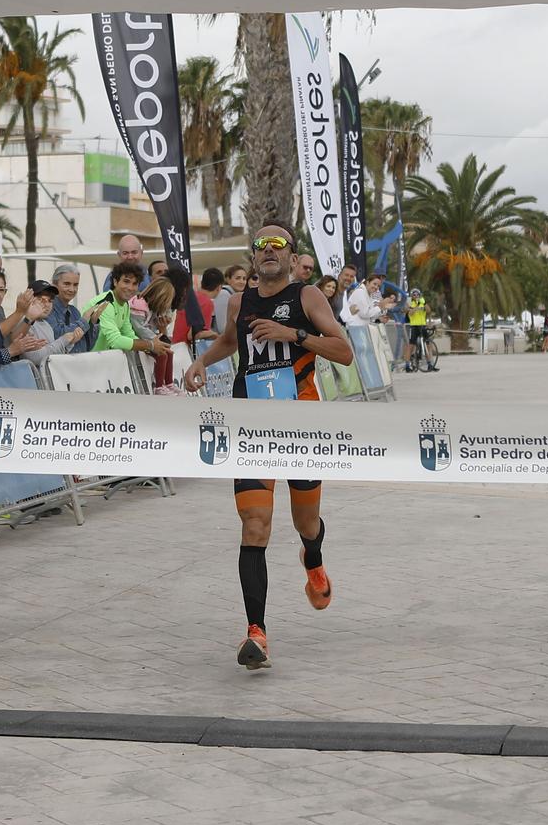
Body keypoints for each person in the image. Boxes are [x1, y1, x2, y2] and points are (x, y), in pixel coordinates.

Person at [182, 223, 354, 670]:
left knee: (306, 521)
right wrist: (201, 361)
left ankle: (313, 560)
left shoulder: (308, 297)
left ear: (294, 257)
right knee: (255, 524)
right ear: (253, 257)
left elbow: (343, 351)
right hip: (252, 427)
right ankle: (256, 633)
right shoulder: (239, 302)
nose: (270, 250)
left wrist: (291, 335)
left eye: (279, 244)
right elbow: (227, 341)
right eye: (262, 244)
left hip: (300, 428)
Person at [86, 261, 170, 357]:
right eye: (126, 281)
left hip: (100, 361)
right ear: (115, 282)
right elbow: (115, 341)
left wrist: (149, 348)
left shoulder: (125, 304)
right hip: (87, 362)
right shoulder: (105, 303)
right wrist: (150, 345)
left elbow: (129, 334)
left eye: (135, 284)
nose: (130, 288)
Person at [42, 265, 92, 353]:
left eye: (75, 285)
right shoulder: (47, 308)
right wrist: (83, 321)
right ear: (54, 284)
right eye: (67, 284)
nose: (72, 289)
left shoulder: (74, 311)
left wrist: (93, 322)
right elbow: (57, 335)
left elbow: (87, 345)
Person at [404, 290, 434, 372]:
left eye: (417, 294)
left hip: (422, 326)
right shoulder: (410, 303)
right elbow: (410, 313)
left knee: (427, 344)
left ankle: (429, 364)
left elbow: (429, 311)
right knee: (410, 346)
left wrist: (423, 304)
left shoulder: (422, 301)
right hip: (414, 326)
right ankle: (407, 365)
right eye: (414, 294)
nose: (416, 295)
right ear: (412, 296)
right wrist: (417, 306)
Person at [216, 263, 249, 334]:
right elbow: (222, 328)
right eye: (238, 278)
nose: (242, 282)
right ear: (228, 279)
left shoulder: (237, 295)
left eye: (244, 279)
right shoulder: (224, 294)